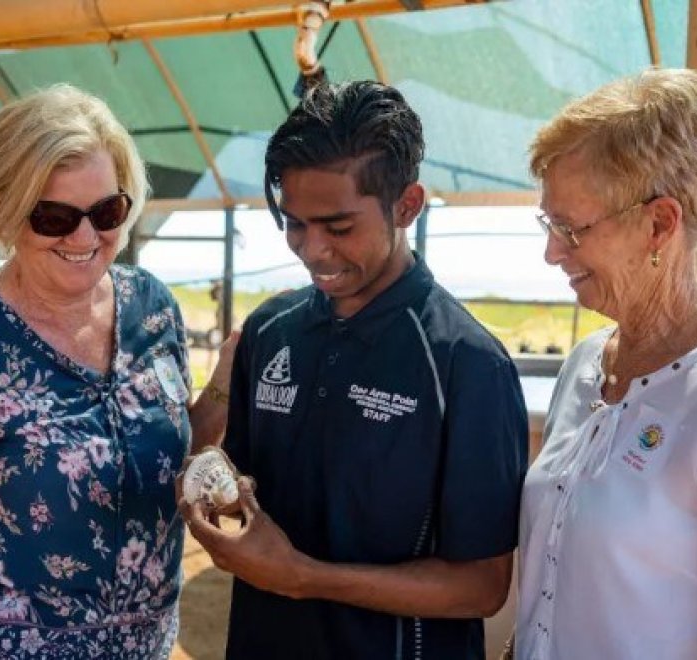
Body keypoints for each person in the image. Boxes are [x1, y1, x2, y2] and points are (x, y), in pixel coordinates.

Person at [0, 84, 234, 659]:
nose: (85, 237)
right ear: (6, 210)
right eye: (54, 217)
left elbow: (163, 457)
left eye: (106, 212)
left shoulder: (154, 309)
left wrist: (223, 385)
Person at [186, 80, 529, 660]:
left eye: (339, 227)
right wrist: (214, 488)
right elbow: (241, 481)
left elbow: (482, 586)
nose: (312, 249)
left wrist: (305, 578)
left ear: (407, 205)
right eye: (295, 223)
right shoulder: (269, 331)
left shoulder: (467, 364)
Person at [516, 68, 697, 659]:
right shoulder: (584, 365)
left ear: (660, 224)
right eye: (548, 223)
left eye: (570, 228)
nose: (551, 251)